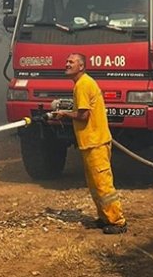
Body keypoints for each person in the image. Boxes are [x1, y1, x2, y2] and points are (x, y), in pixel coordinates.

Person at [52, 53, 127, 234]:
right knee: (95, 184)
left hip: (96, 142)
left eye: (71, 62)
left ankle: (118, 221)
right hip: (90, 142)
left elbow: (83, 116)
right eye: (67, 60)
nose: (66, 63)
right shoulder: (81, 84)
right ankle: (104, 217)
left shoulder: (83, 85)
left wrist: (63, 113)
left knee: (103, 184)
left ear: (81, 66)